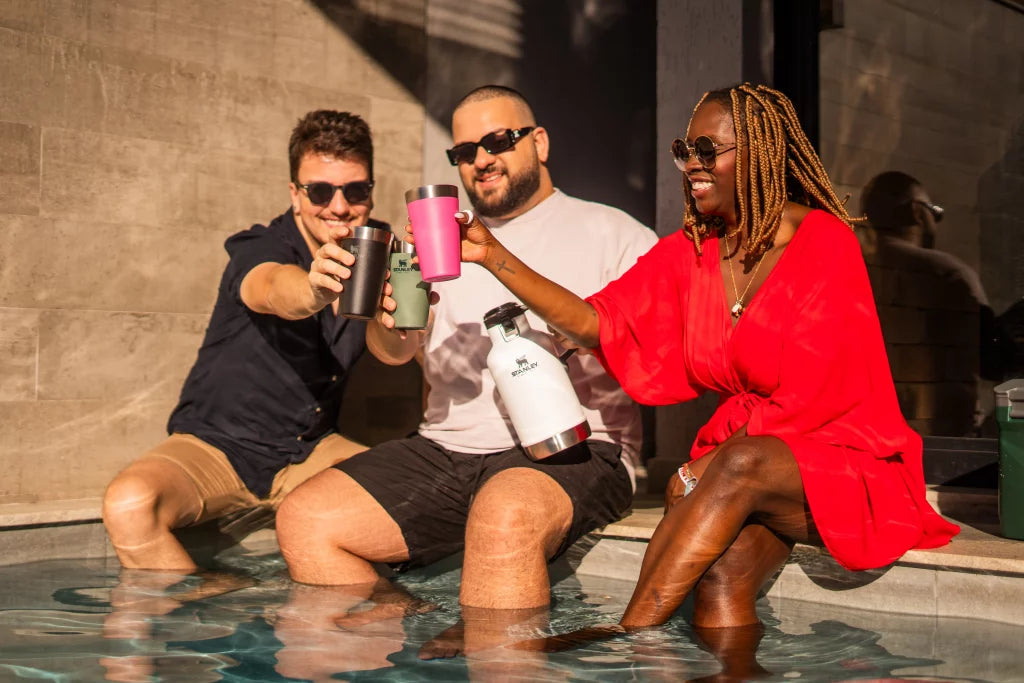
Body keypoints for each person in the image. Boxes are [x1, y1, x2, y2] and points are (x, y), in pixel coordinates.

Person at [429, 83, 960, 638]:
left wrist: (702, 467)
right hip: (751, 465)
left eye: (709, 152)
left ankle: (621, 637)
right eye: (686, 152)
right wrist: (492, 255)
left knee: (726, 468)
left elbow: (818, 398)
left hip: (847, 460)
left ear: (758, 154)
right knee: (720, 578)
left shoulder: (824, 241)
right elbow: (597, 322)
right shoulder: (696, 250)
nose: (692, 167)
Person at [275, 86, 658, 617]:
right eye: (464, 151)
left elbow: (657, 345)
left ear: (539, 142)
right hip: (447, 448)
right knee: (305, 519)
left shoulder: (615, 234)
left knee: (503, 514)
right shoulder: (435, 245)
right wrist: (389, 322)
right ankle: (401, 648)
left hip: (578, 447)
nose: (481, 159)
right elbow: (393, 352)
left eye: (499, 140)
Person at [102, 110, 382, 571]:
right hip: (220, 446)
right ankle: (203, 610)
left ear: (369, 193)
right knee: (130, 504)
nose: (338, 206)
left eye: (355, 190)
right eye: (320, 190)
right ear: (295, 194)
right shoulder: (260, 247)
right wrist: (314, 288)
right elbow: (273, 289)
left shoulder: (378, 252)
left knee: (409, 493)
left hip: (308, 451)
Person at [860, 170, 1003, 435]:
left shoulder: (849, 272)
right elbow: (995, 360)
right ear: (917, 211)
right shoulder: (948, 273)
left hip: (870, 437)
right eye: (935, 212)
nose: (936, 222)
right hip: (945, 442)